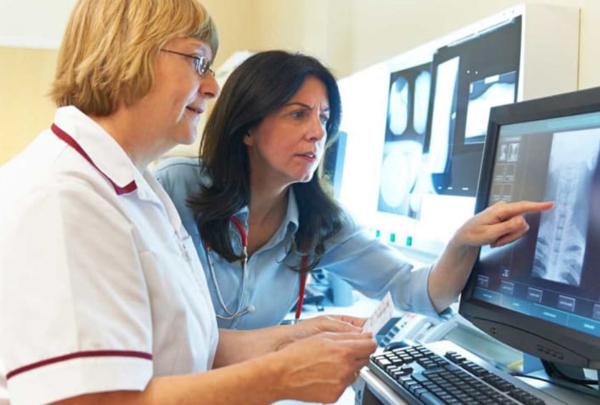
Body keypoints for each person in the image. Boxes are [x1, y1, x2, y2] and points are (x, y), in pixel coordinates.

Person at [0, 2, 377, 404]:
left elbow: (190, 350)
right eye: (198, 62)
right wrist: (282, 375)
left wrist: (292, 339)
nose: (213, 87)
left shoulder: (139, 189)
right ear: (130, 52)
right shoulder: (65, 197)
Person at [155, 50, 554, 330]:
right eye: (298, 114)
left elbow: (413, 292)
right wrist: (282, 345)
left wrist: (463, 242)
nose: (317, 132)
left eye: (325, 118)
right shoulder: (175, 188)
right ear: (247, 127)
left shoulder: (320, 220)